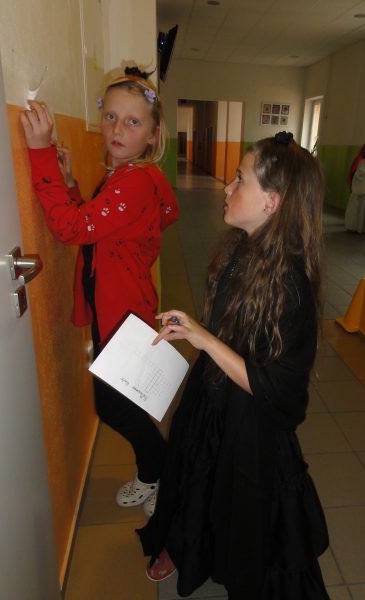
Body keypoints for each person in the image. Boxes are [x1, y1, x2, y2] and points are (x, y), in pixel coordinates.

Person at [137, 131, 330, 599]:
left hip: (251, 423)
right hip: (214, 398)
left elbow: (278, 392)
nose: (227, 186)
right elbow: (232, 336)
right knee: (196, 474)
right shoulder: (240, 249)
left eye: (240, 179)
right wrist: (197, 332)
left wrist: (203, 339)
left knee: (246, 513)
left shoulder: (292, 286)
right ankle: (187, 546)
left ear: (271, 203)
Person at [20, 66, 179, 517]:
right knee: (123, 402)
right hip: (116, 308)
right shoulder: (125, 175)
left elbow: (72, 228)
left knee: (114, 407)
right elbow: (94, 226)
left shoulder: (135, 181)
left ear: (153, 134)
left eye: (133, 121)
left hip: (123, 315)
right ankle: (156, 470)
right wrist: (70, 184)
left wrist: (39, 153)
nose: (117, 129)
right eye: (111, 117)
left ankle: (163, 472)